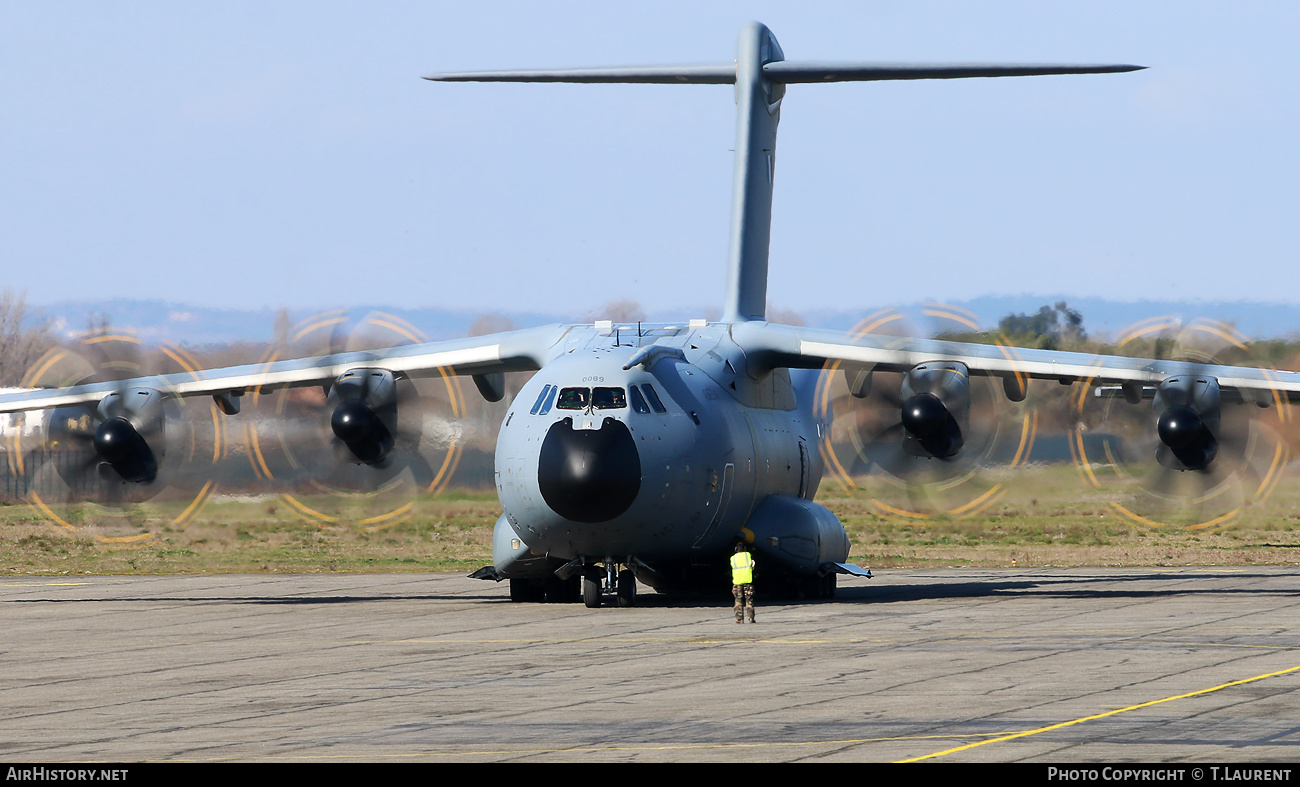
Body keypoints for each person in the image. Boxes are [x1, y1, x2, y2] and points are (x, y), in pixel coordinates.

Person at [730, 543, 756, 624]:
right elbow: (753, 564)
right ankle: (751, 618)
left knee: (738, 601)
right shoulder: (748, 555)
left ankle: (739, 619)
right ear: (744, 549)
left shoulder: (733, 558)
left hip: (737, 582)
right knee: (749, 600)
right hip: (747, 581)